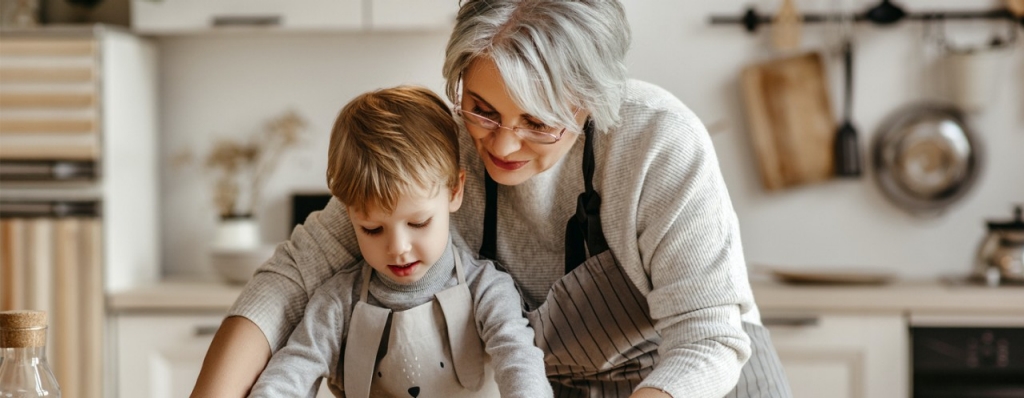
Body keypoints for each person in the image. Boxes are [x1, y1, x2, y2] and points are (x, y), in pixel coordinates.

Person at [193, 1, 792, 397]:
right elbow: (290, 281)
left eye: (538, 120)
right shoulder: (440, 146)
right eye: (482, 108)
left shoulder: (657, 142)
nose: (501, 143)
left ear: (589, 98)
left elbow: (706, 336)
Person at [247, 86, 551, 397]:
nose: (398, 248)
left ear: (454, 192)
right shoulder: (338, 303)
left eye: (418, 223)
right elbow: (293, 369)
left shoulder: (487, 289)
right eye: (372, 229)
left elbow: (519, 360)